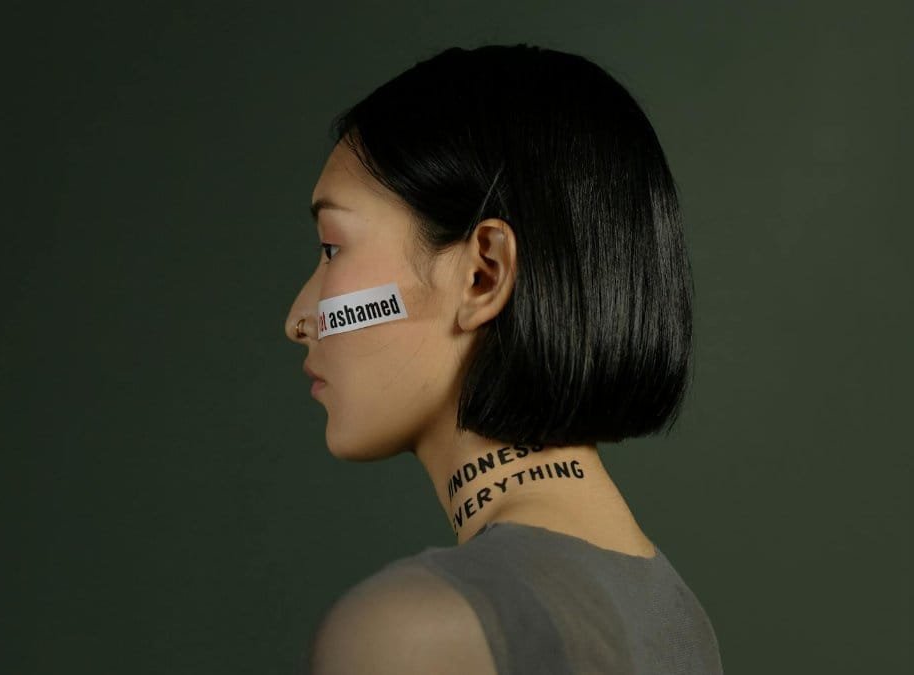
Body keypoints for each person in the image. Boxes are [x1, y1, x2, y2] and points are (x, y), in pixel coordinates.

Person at [285, 44, 723, 674]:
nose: (299, 319)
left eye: (332, 249)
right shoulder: (672, 619)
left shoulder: (416, 632)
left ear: (483, 275)